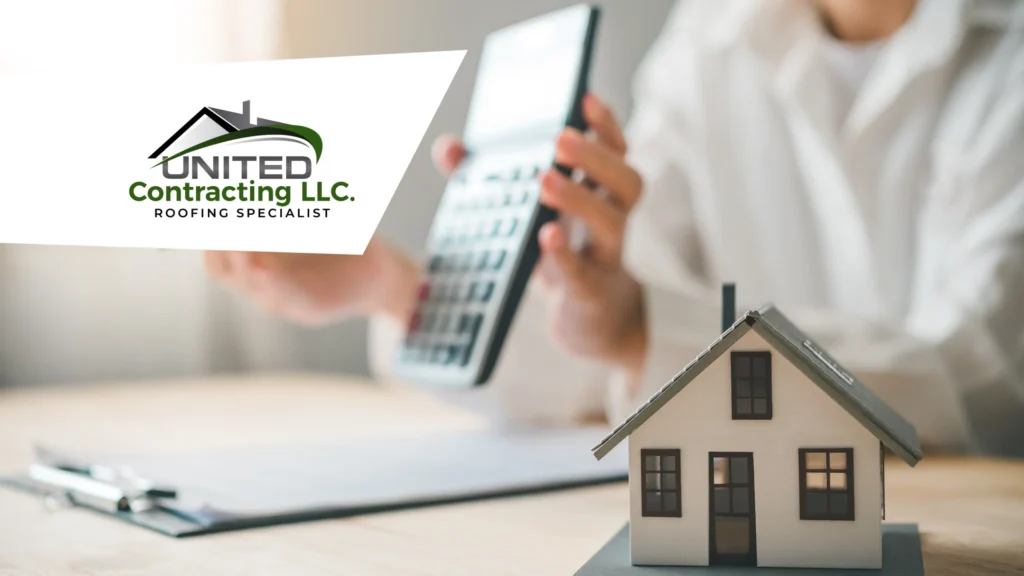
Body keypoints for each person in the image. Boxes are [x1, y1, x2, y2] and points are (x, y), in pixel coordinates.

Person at [205, 0, 1024, 455]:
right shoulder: (708, 41)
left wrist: (642, 330)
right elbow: (604, 362)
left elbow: (983, 382)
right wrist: (391, 285)